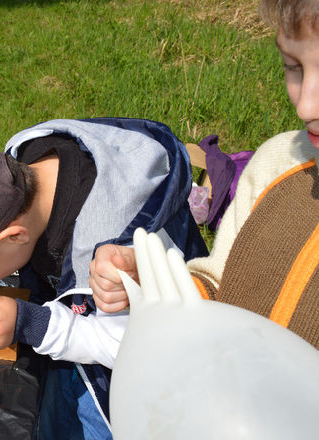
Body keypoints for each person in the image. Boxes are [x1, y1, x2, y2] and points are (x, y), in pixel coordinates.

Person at [0, 117, 208, 440]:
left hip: (130, 388)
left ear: (14, 236)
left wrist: (30, 323)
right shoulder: (30, 162)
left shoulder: (114, 261)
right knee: (47, 435)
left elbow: (134, 348)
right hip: (77, 337)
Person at [90, 0, 319, 349]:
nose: (305, 105)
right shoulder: (278, 162)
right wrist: (152, 283)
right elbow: (218, 283)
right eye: (294, 67)